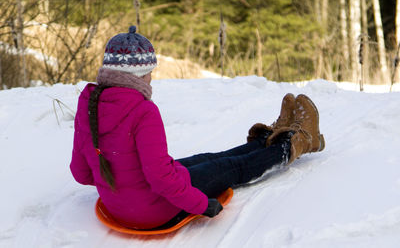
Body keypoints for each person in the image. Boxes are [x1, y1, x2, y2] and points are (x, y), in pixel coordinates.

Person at [70, 26, 325, 230]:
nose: (151, 78)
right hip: (155, 211)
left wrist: (122, 186)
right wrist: (202, 205)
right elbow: (160, 179)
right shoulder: (142, 110)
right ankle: (296, 142)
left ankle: (265, 141)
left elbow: (81, 172)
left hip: (119, 207)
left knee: (207, 159)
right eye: (149, 72)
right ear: (139, 75)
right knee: (230, 168)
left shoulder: (88, 102)